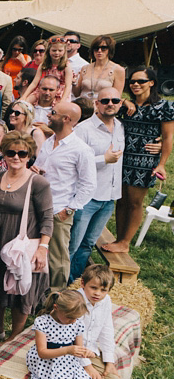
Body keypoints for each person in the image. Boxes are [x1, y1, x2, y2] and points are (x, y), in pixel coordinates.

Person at [0, 133, 53, 345]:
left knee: (20, 289)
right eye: (11, 152)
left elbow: (47, 217)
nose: (16, 157)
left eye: (22, 153)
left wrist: (43, 248)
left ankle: (14, 336)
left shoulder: (37, 182)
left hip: (22, 243)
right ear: (4, 153)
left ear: (29, 155)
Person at [105, 67, 174, 253]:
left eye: (141, 81)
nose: (136, 84)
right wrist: (125, 101)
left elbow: (168, 137)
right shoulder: (125, 105)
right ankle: (119, 239)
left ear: (152, 83)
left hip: (144, 159)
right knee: (121, 200)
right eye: (133, 81)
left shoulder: (164, 107)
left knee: (135, 202)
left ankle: (125, 242)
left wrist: (161, 164)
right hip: (122, 157)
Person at [33, 102, 96, 290]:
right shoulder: (48, 142)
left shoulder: (81, 149)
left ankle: (56, 298)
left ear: (66, 119)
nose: (49, 116)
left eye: (53, 113)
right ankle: (36, 294)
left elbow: (89, 184)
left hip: (59, 209)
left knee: (57, 260)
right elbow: (41, 167)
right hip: (37, 206)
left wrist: (69, 209)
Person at [70, 89, 125, 282]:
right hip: (87, 198)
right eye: (105, 100)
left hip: (109, 198)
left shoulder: (120, 126)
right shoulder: (83, 129)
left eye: (114, 100)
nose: (110, 103)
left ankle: (76, 282)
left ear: (120, 103)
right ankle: (57, 286)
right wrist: (104, 159)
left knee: (88, 244)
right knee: (73, 245)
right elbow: (73, 161)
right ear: (97, 104)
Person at [73, 35, 125, 100]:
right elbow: (76, 94)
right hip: (83, 106)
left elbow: (117, 96)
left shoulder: (118, 70)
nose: (99, 51)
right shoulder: (85, 68)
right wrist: (74, 83)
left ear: (109, 49)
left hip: (103, 107)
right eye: (96, 48)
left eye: (103, 48)